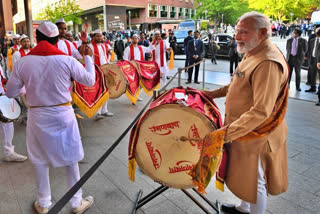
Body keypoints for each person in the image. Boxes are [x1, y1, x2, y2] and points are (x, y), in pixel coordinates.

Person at [6, 21, 95, 214]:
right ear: (57, 40)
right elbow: (89, 80)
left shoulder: (23, 62)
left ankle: (44, 203)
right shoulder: (67, 60)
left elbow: (11, 92)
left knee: (39, 159)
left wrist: (26, 87)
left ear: (37, 38)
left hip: (38, 116)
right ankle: (76, 202)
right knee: (71, 160)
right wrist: (89, 58)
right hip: (64, 114)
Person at [204, 11, 289, 214]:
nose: (237, 37)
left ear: (262, 33)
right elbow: (235, 85)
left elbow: (261, 111)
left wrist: (224, 134)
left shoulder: (267, 62)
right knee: (244, 174)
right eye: (237, 31)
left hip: (257, 133)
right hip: (241, 129)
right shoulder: (253, 51)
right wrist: (208, 94)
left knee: (256, 178)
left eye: (243, 32)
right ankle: (243, 208)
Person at [0, 65, 27, 162]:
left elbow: (1, 79)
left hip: (2, 96)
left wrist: (11, 83)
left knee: (7, 124)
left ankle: (9, 153)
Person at [88, 29, 113, 120]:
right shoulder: (90, 46)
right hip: (95, 72)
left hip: (105, 72)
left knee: (105, 91)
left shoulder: (103, 46)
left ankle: (104, 110)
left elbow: (106, 59)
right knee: (97, 92)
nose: (99, 37)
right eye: (97, 36)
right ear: (94, 37)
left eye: (101, 36)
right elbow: (88, 60)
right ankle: (97, 112)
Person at [305, 28, 320, 93]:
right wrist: (306, 56)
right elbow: (308, 49)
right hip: (312, 59)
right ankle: (312, 87)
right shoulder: (312, 40)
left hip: (319, 61)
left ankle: (319, 90)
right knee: (312, 74)